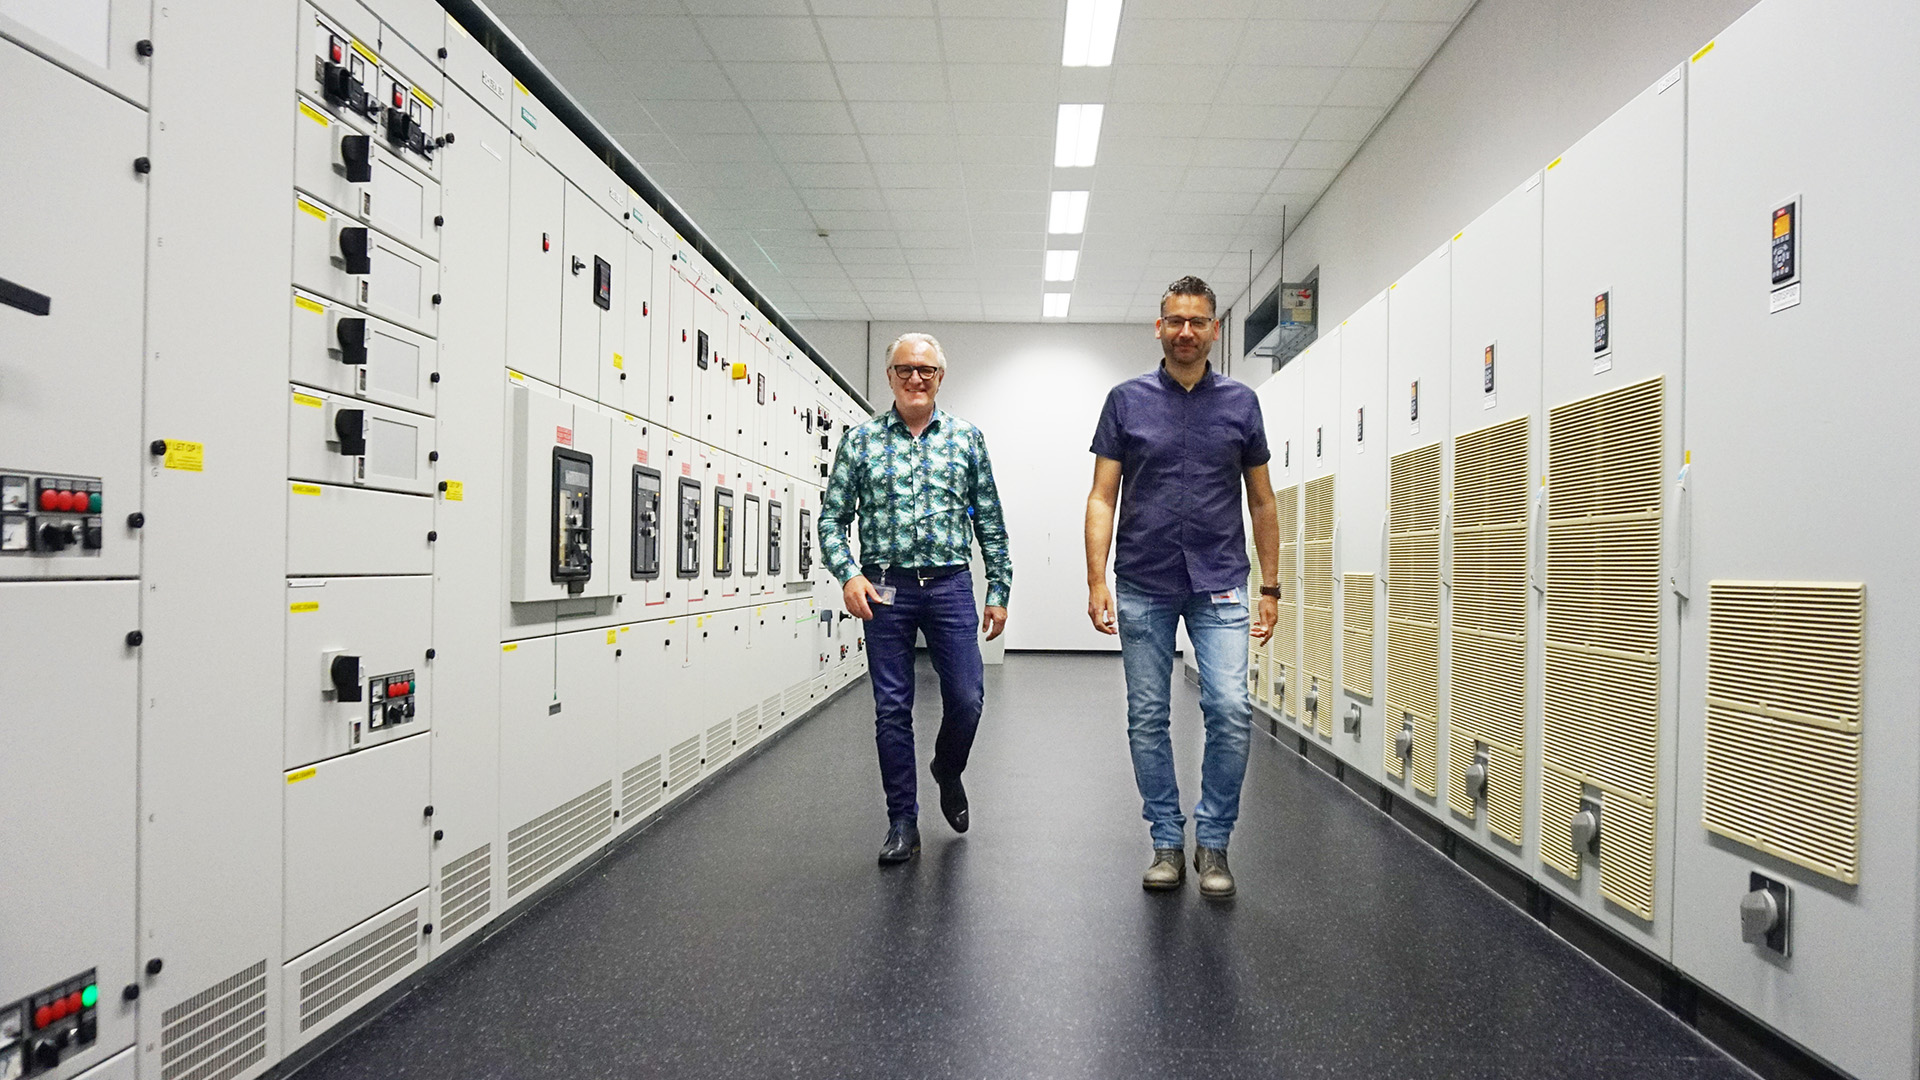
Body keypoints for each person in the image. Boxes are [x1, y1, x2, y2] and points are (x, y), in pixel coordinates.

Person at [1084, 276, 1280, 899]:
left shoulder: (1241, 404)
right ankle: (1166, 840)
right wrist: (1096, 579)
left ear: (1214, 329)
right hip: (1144, 579)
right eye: (1176, 321)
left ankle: (1213, 841)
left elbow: (1262, 501)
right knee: (1148, 716)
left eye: (1198, 322)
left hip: (1220, 579)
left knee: (1230, 708)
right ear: (1159, 327)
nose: (1186, 332)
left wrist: (1271, 587)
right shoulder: (1126, 401)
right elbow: (1102, 496)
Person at [820, 332, 1012, 865]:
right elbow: (832, 520)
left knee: (968, 699)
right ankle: (902, 821)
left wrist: (998, 588)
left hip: (950, 585)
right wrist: (848, 575)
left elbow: (990, 520)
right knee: (891, 708)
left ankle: (947, 768)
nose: (915, 378)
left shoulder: (966, 439)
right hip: (884, 589)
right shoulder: (860, 442)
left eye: (925, 370)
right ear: (890, 377)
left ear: (940, 377)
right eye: (904, 369)